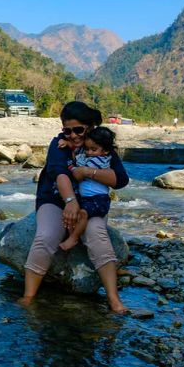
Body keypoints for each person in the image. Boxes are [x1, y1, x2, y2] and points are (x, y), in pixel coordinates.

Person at [18, 101, 129, 314]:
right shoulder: (58, 144)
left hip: (91, 203)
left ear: (89, 128)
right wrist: (70, 202)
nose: (73, 136)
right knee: (46, 236)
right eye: (67, 130)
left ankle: (114, 300)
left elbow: (121, 179)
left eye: (78, 130)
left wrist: (88, 172)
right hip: (55, 200)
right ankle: (28, 296)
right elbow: (59, 172)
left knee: (96, 234)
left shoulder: (101, 145)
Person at [57, 126, 117, 252]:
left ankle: (73, 238)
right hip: (87, 199)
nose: (89, 152)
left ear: (105, 150)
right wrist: (69, 144)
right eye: (87, 149)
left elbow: (78, 168)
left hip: (99, 200)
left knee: (83, 214)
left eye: (93, 149)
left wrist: (71, 167)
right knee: (73, 216)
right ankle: (74, 236)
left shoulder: (100, 161)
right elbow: (79, 154)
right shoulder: (93, 156)